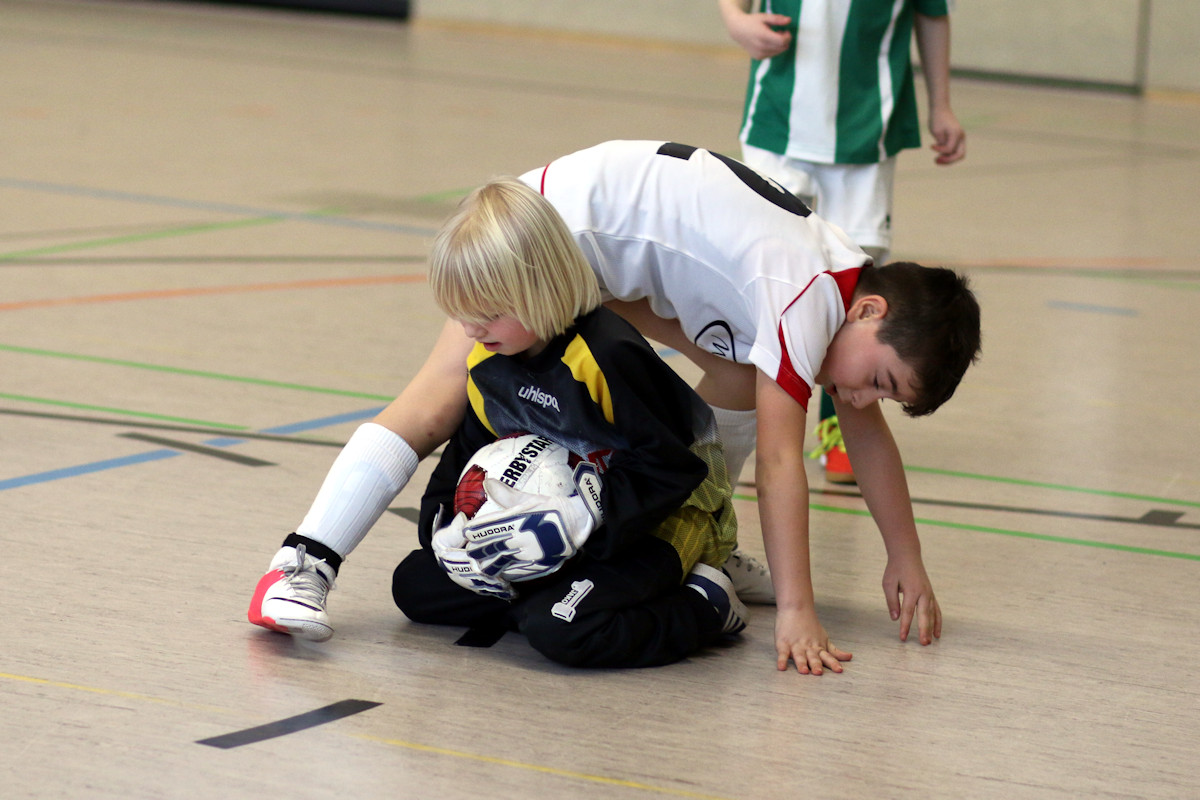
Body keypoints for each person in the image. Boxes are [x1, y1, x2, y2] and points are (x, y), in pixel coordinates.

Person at [249, 140, 981, 676]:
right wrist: (797, 609)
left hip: (595, 247)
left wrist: (906, 557)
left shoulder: (832, 278)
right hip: (545, 232)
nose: (857, 400)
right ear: (871, 312)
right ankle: (303, 562)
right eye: (879, 380)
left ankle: (697, 545)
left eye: (880, 394)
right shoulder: (805, 296)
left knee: (736, 378)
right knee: (438, 398)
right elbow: (785, 463)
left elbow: (870, 436)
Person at [387, 177, 743, 668]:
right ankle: (550, 592)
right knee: (414, 586)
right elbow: (467, 451)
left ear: (540, 288)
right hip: (556, 529)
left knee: (562, 628)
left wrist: (582, 520)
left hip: (663, 522)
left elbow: (673, 469)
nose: (471, 330)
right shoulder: (488, 358)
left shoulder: (606, 357)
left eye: (488, 312)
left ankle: (704, 603)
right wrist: (448, 526)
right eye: (460, 314)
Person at [718, 0, 968, 484]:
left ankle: (836, 433)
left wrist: (942, 104)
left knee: (857, 293)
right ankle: (747, 428)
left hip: (867, 134)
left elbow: (932, 13)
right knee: (763, 284)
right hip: (778, 122)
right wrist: (735, 18)